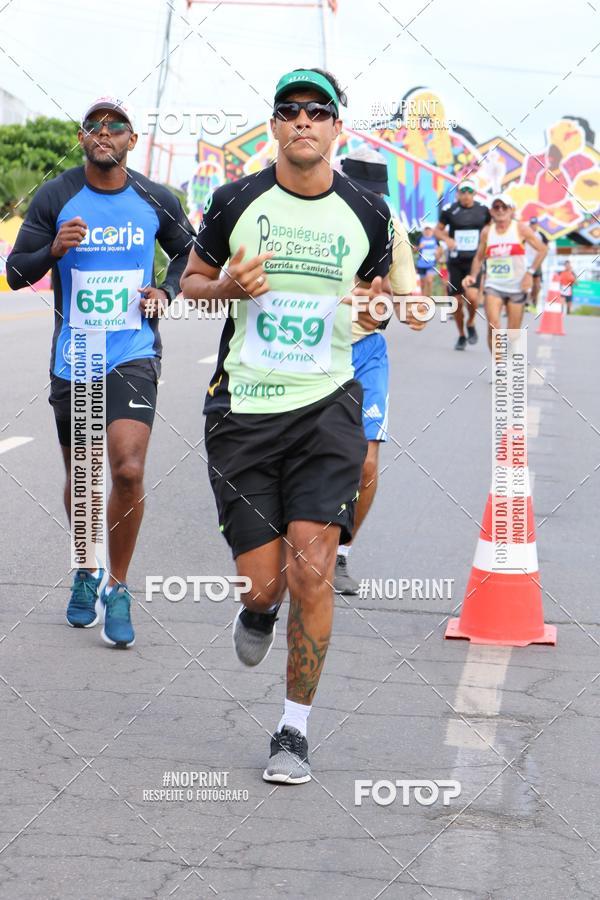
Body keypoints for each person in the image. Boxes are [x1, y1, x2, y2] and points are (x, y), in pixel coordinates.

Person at [181, 68, 399, 784]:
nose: (303, 120)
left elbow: (397, 299)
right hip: (243, 410)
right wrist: (225, 287)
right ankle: (256, 611)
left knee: (313, 570)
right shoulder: (236, 200)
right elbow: (191, 284)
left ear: (337, 128)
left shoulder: (369, 212)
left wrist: (383, 312)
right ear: (274, 126)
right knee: (265, 584)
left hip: (327, 407)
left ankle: (292, 731)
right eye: (289, 110)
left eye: (318, 110)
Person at [7, 96, 195, 648]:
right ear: (84, 138)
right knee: (85, 480)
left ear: (131, 141)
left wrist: (165, 289)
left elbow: (191, 253)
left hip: (133, 352)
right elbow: (17, 272)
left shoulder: (155, 198)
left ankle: (118, 584)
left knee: (130, 470)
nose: (104, 133)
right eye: (94, 126)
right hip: (77, 355)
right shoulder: (57, 195)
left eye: (116, 127)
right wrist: (52, 250)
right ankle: (85, 567)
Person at [334, 144, 426, 595]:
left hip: (365, 351)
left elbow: (412, 301)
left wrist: (407, 309)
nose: (368, 202)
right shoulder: (314, 216)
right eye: (358, 192)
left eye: (375, 195)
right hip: (310, 352)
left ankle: (340, 553)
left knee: (366, 462)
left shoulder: (392, 227)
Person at [464, 193, 547, 352]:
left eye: (504, 207)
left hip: (517, 286)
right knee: (494, 326)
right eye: (496, 207)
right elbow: (479, 257)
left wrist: (530, 273)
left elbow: (542, 250)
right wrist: (473, 276)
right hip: (494, 285)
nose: (500, 210)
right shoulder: (487, 232)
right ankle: (499, 368)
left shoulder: (521, 228)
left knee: (513, 334)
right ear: (491, 211)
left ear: (511, 210)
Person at [435, 177, 491, 350]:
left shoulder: (483, 210)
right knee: (457, 303)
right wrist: (446, 239)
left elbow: (491, 228)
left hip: (475, 261)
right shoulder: (450, 210)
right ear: (458, 194)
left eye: (469, 192)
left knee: (473, 297)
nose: (466, 195)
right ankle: (461, 335)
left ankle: (471, 322)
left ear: (474, 194)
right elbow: (438, 230)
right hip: (456, 261)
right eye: (462, 191)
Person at [526, 216, 549, 309]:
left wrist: (541, 260)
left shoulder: (541, 235)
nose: (533, 226)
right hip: (526, 262)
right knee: (528, 283)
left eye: (534, 224)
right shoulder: (526, 234)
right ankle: (526, 302)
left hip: (537, 262)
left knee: (537, 284)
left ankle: (534, 301)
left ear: (537, 225)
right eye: (531, 224)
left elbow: (546, 249)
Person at [415, 224, 439, 295]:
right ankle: (423, 299)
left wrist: (438, 253)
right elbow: (414, 250)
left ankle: (429, 298)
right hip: (421, 264)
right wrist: (419, 247)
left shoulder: (435, 238)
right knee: (422, 284)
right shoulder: (420, 238)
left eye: (429, 229)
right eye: (426, 229)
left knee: (429, 281)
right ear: (424, 230)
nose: (427, 231)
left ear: (432, 230)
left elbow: (440, 249)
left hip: (431, 263)